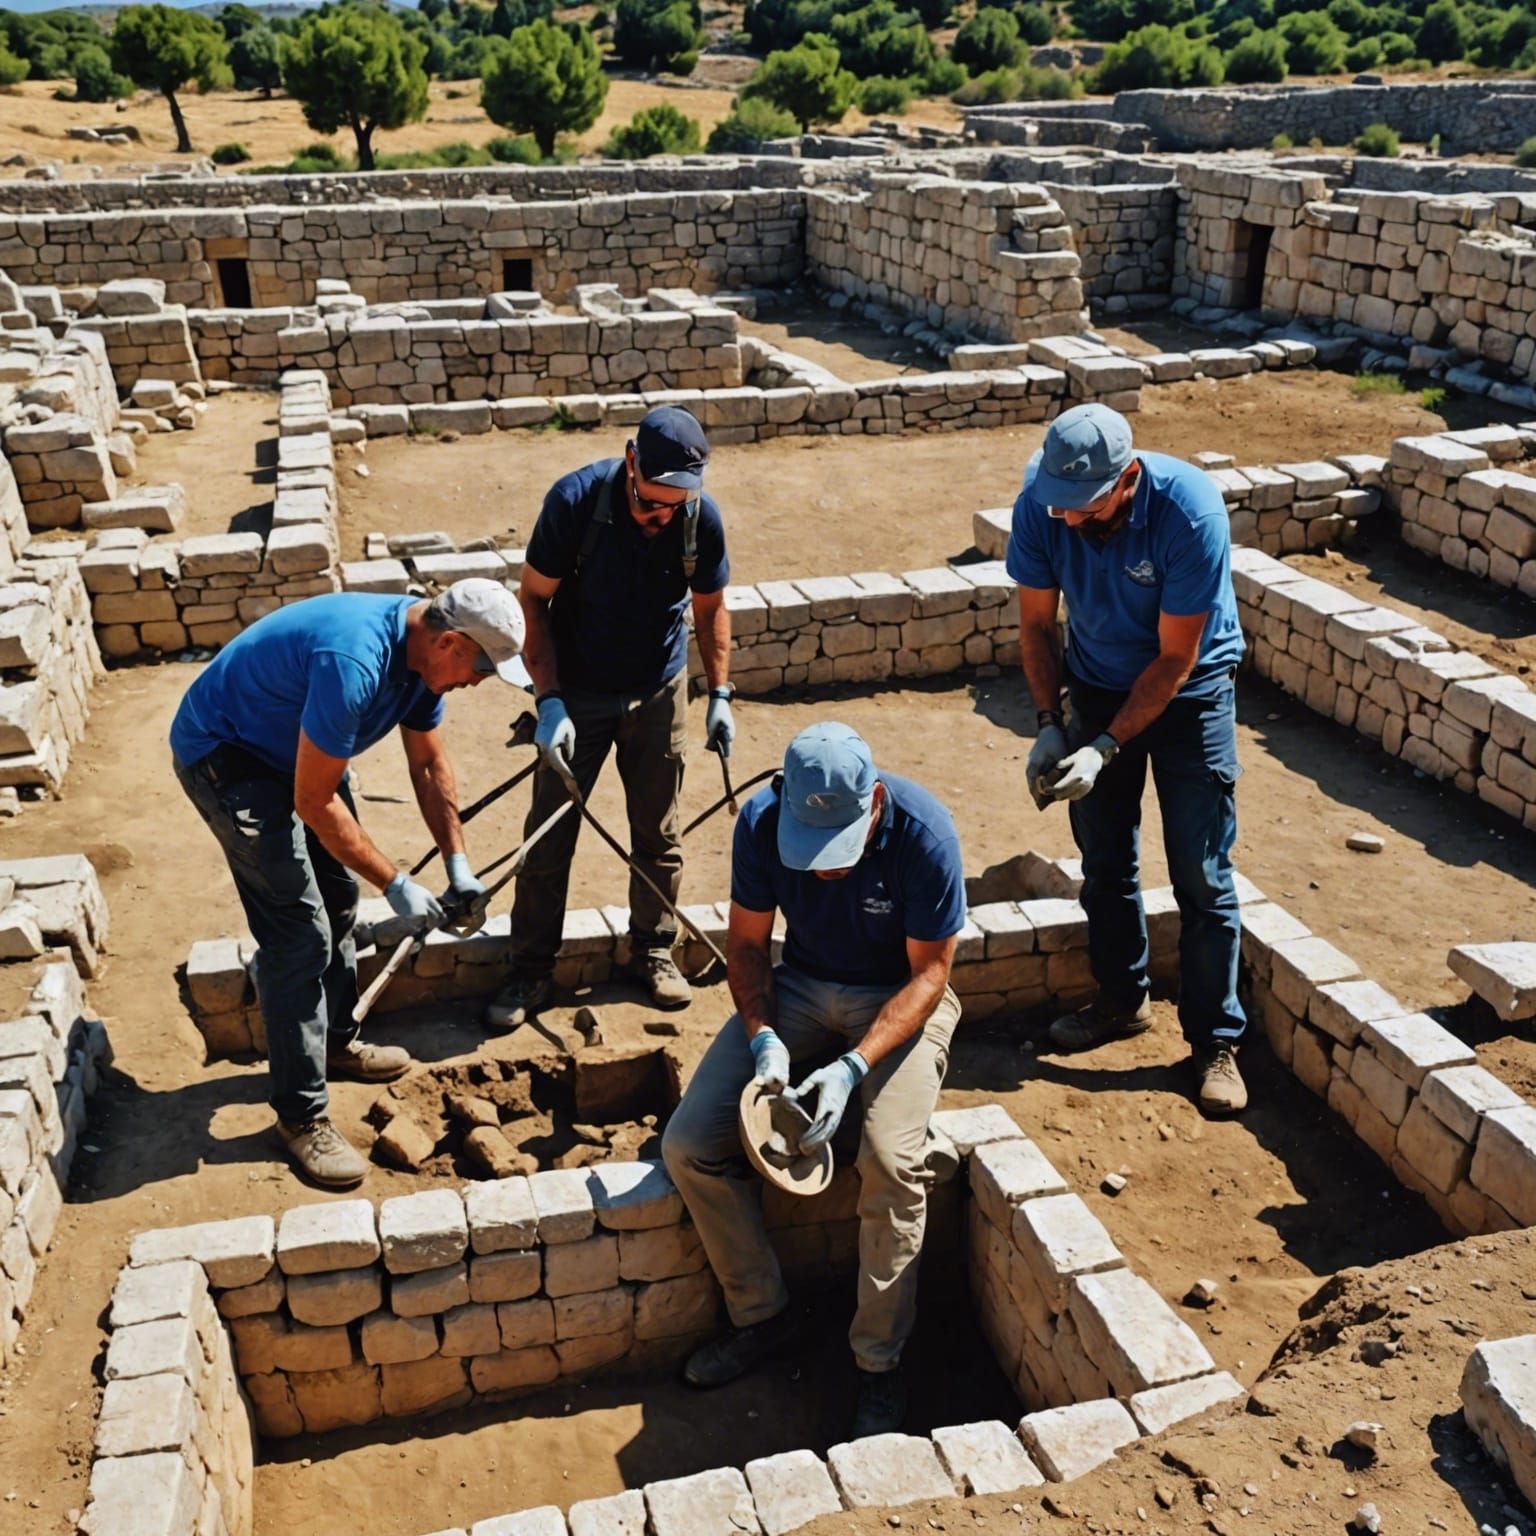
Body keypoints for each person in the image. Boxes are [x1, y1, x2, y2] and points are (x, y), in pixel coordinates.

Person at [171, 579, 528, 1187]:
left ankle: (333, 1043)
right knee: (299, 937)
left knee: (338, 901)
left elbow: (428, 763)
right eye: (482, 668)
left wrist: (456, 864)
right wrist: (394, 884)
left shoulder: (422, 664)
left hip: (291, 750)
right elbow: (313, 801)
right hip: (227, 755)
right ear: (447, 641)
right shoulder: (355, 661)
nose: (477, 683)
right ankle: (299, 1117)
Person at [662, 722, 965, 1438]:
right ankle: (763, 1317)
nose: (824, 868)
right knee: (689, 1144)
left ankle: (878, 1365)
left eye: (839, 849)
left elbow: (931, 974)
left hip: (898, 997)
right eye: (811, 848)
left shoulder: (926, 836)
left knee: (892, 1163)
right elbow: (744, 944)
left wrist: (853, 1066)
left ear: (877, 802)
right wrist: (765, 1040)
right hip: (798, 988)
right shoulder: (763, 823)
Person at [1006, 402, 1249, 1115]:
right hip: (1096, 680)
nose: (1071, 521)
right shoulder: (1043, 507)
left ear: (1128, 478)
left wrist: (1106, 747)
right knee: (1106, 858)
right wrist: (1053, 724)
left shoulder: (1189, 513)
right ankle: (1122, 1000)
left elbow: (1177, 658)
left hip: (1191, 695)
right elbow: (1034, 624)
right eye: (1061, 508)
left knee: (1201, 873)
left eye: (1086, 506)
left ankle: (1214, 1040)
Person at [486, 406, 733, 1029]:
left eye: (674, 507)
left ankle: (652, 951)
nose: (660, 519)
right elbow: (533, 604)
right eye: (652, 505)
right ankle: (530, 970)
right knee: (550, 836)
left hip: (657, 687)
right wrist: (549, 702)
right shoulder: (575, 503)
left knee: (659, 832)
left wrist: (722, 694)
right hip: (579, 690)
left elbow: (710, 608)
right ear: (631, 465)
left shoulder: (699, 520)